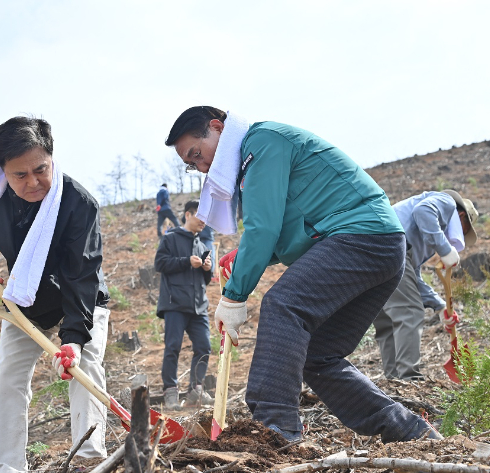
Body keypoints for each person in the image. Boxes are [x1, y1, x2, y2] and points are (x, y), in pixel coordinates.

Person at [165, 105, 443, 443]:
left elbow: (262, 227)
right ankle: (408, 430)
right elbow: (285, 229)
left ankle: (274, 428)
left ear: (217, 127)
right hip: (378, 246)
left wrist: (235, 295)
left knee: (283, 305)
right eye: (192, 165)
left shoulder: (262, 142)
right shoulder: (255, 153)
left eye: (198, 153)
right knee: (318, 357)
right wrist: (243, 260)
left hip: (363, 236)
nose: (202, 166)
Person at [0, 116, 110, 471]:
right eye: (19, 175)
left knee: (85, 364)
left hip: (81, 299)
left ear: (51, 159)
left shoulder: (77, 202)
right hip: (24, 299)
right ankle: (6, 466)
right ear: (2, 171)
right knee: (8, 377)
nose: (33, 182)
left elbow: (81, 274)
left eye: (40, 169)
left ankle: (89, 460)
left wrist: (72, 339)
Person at [373, 190, 478, 380]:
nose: (460, 236)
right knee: (410, 312)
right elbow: (423, 211)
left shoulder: (425, 238)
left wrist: (440, 307)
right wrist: (445, 250)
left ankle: (394, 380)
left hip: (373, 247)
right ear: (461, 216)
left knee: (386, 319)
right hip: (390, 243)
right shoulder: (446, 203)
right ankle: (408, 378)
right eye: (464, 230)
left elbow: (413, 276)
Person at [155, 200, 214, 410]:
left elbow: (205, 281)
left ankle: (196, 391)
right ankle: (170, 392)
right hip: (175, 304)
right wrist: (185, 261)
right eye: (201, 217)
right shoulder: (170, 239)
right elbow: (159, 264)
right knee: (173, 348)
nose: (204, 223)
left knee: (204, 347)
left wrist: (207, 269)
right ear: (188, 215)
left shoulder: (202, 245)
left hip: (199, 307)